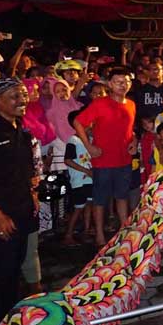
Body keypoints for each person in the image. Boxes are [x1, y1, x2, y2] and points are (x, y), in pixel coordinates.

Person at [74, 67, 137, 246]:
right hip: (103, 161)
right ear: (109, 84)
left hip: (124, 159)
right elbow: (78, 122)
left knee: (122, 196)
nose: (122, 85)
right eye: (118, 82)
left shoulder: (131, 104)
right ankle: (99, 234)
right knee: (100, 200)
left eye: (125, 81)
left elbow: (129, 130)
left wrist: (135, 141)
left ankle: (125, 231)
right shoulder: (100, 103)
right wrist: (89, 146)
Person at [0, 78, 38, 318]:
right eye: (14, 96)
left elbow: (25, 170)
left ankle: (12, 316)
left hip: (22, 210)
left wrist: (32, 195)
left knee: (15, 268)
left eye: (23, 94)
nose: (22, 100)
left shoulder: (19, 127)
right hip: (3, 215)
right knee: (2, 272)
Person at [62, 109, 94, 246]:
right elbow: (68, 160)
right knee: (78, 208)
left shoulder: (89, 140)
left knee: (88, 205)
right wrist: (85, 170)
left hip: (89, 178)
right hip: (80, 180)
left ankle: (86, 232)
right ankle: (68, 235)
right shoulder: (73, 140)